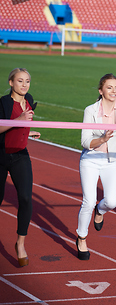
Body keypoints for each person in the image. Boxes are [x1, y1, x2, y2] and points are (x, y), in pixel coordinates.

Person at [76, 73, 116, 260]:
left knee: (113, 201)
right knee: (88, 201)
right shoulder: (90, 110)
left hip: (112, 160)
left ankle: (100, 211)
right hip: (91, 159)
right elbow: (85, 141)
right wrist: (103, 139)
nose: (113, 91)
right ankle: (82, 238)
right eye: (109, 87)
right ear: (101, 90)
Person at [0, 68, 41, 267]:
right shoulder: (3, 102)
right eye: (19, 81)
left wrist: (28, 131)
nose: (24, 85)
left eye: (27, 81)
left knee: (25, 197)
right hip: (1, 155)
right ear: (11, 83)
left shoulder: (30, 99)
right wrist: (19, 121)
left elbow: (20, 125)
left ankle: (20, 243)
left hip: (20, 155)